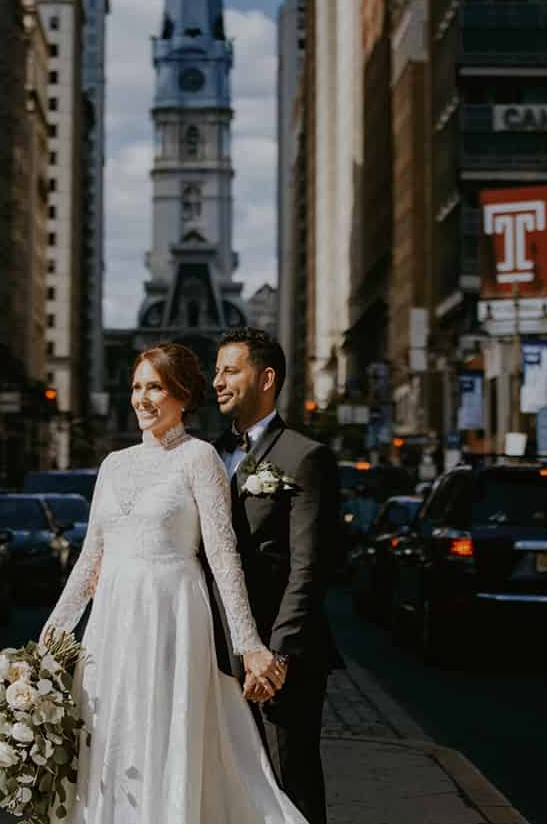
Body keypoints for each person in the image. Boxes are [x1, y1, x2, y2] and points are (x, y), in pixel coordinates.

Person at [40, 343, 306, 824]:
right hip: (110, 625)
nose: (142, 399)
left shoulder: (198, 458)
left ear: (182, 395)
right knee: (109, 737)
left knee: (163, 734)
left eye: (155, 387)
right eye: (137, 387)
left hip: (173, 619)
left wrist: (250, 646)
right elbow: (90, 558)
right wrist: (50, 638)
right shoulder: (112, 464)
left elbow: (224, 559)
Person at [211, 327, 342, 824]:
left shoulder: (305, 457)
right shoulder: (207, 454)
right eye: (216, 371)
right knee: (229, 781)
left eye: (230, 371)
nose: (217, 382)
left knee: (291, 783)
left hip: (280, 657)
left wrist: (277, 656)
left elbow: (310, 568)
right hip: (218, 650)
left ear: (266, 378)